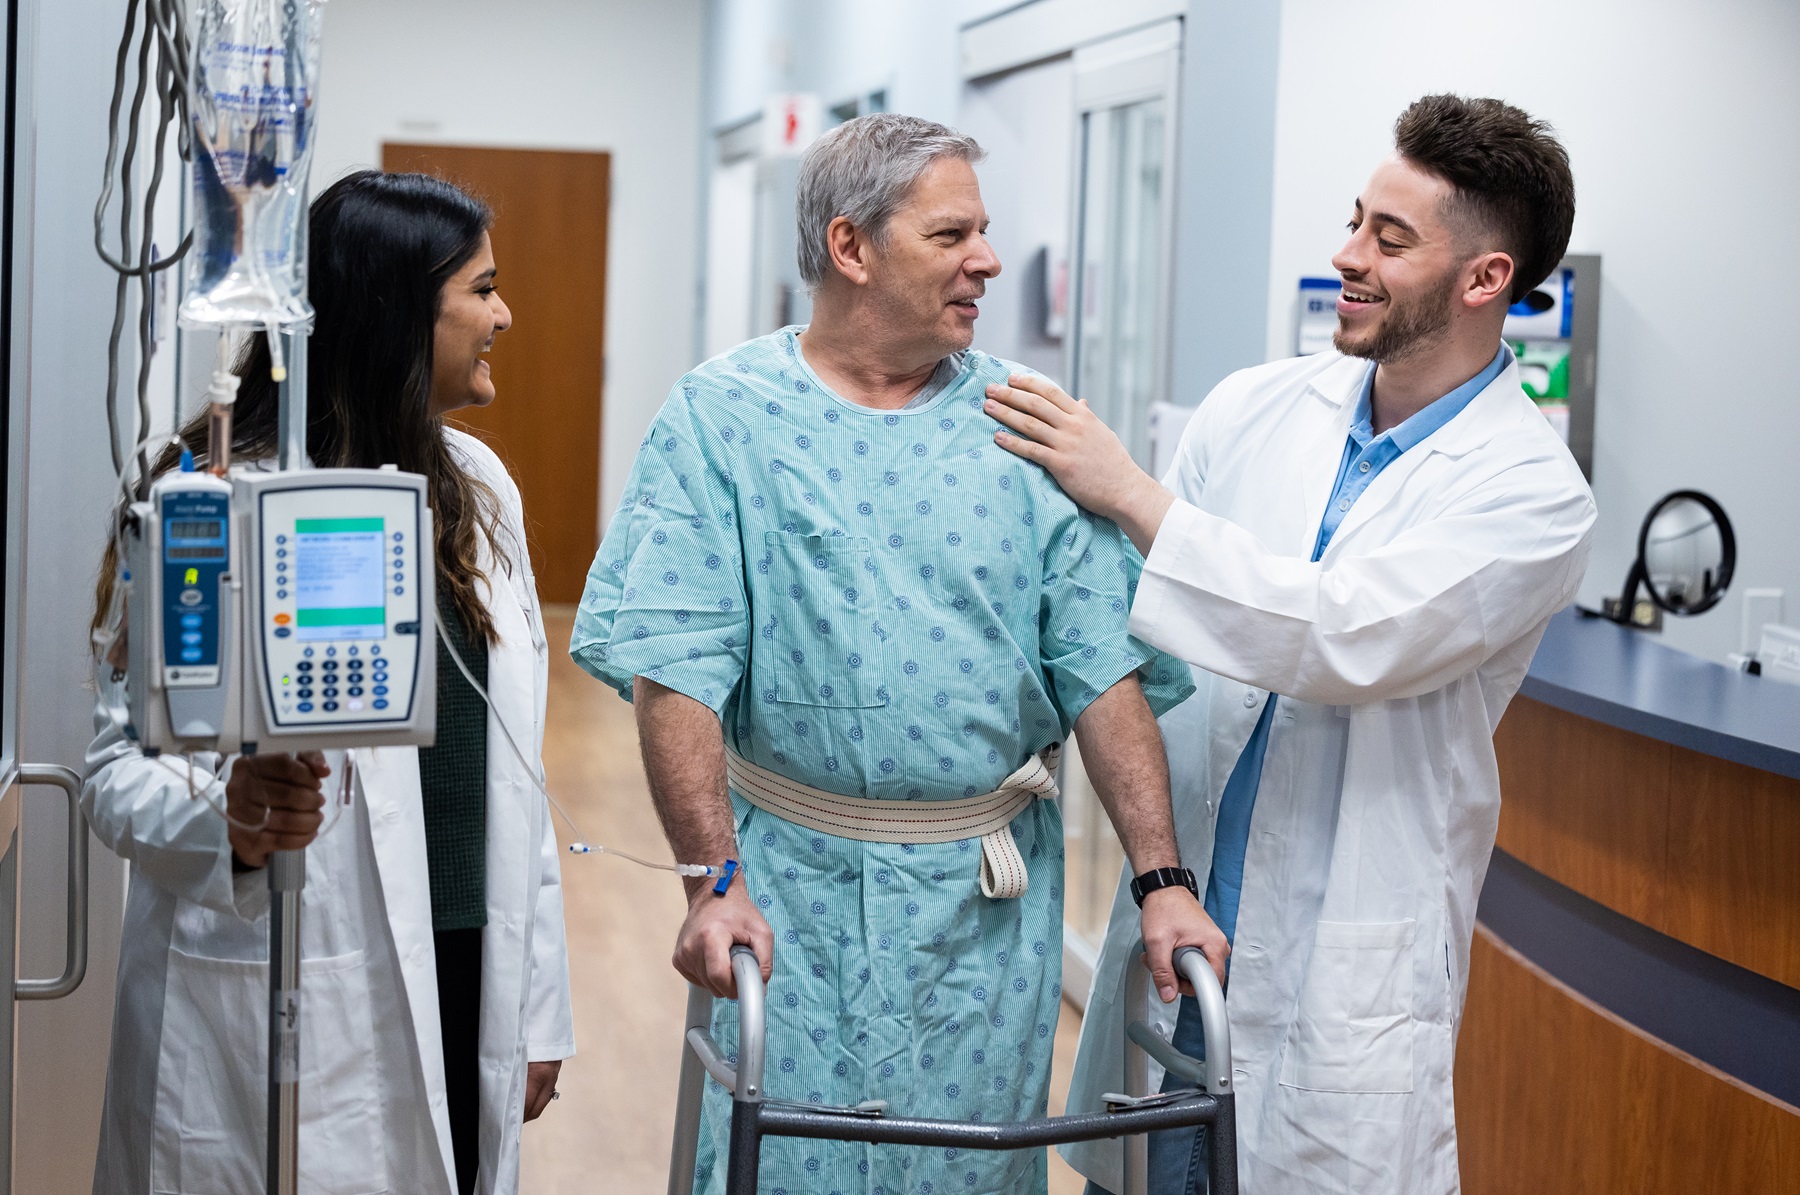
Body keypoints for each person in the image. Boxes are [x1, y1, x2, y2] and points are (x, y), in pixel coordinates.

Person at [571, 113, 1220, 1195]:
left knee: (966, 1169)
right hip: (788, 893)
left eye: (986, 230)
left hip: (984, 912)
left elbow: (1103, 672)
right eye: (953, 233)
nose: (990, 260)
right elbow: (674, 664)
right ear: (851, 247)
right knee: (785, 1160)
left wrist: (1162, 878)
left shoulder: (1027, 426)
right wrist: (709, 877)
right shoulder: (724, 419)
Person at [985, 95, 1598, 1193]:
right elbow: (1154, 630)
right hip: (1181, 919)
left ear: (1484, 279)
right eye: (1357, 218)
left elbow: (1345, 633)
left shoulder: (1532, 495)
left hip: (1338, 959)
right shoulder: (1258, 407)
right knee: (1153, 1173)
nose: (1346, 254)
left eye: (1389, 238)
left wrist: (1131, 492)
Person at [84, 171, 573, 1195]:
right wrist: (233, 820)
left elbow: (514, 775)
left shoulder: (480, 486)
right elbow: (112, 774)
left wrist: (535, 1008)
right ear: (398, 314)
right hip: (275, 967)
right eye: (481, 290)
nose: (504, 315)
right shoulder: (215, 499)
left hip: (463, 958)